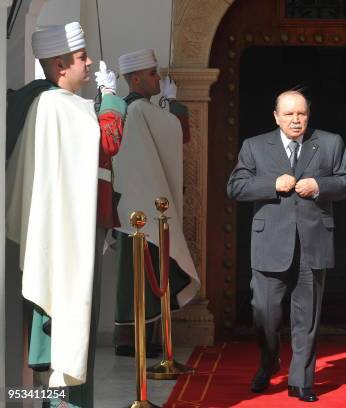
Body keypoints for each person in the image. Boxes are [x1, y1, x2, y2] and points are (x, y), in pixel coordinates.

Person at [5, 21, 126, 407]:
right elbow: (108, 141)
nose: (89, 63)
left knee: (67, 329)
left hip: (61, 231)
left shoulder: (42, 103)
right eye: (81, 57)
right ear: (60, 65)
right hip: (69, 237)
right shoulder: (60, 105)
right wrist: (110, 99)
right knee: (72, 326)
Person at [227, 90, 346, 402]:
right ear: (276, 117)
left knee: (307, 317)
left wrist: (320, 186)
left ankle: (301, 380)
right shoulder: (255, 146)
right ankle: (269, 361)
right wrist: (270, 185)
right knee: (265, 312)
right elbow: (235, 187)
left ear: (308, 115)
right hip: (269, 243)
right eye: (289, 115)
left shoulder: (330, 142)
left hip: (313, 243)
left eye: (301, 114)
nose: (296, 120)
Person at [112, 49, 200, 357]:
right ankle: (138, 341)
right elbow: (180, 130)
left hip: (127, 207)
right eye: (152, 74)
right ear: (135, 79)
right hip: (145, 209)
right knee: (146, 272)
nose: (158, 79)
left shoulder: (122, 109)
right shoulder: (140, 111)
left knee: (135, 274)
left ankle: (131, 340)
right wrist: (174, 104)